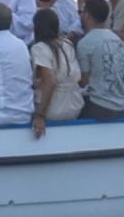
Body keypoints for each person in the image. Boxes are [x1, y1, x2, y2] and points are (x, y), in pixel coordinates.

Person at [29, 7, 84, 136]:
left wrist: (39, 115)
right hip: (75, 105)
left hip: (54, 109)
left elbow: (50, 81)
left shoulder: (39, 48)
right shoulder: (67, 44)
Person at [73, 0, 124, 120]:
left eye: (81, 12)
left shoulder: (85, 43)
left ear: (87, 15)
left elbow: (84, 81)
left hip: (99, 106)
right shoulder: (119, 41)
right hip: (122, 104)